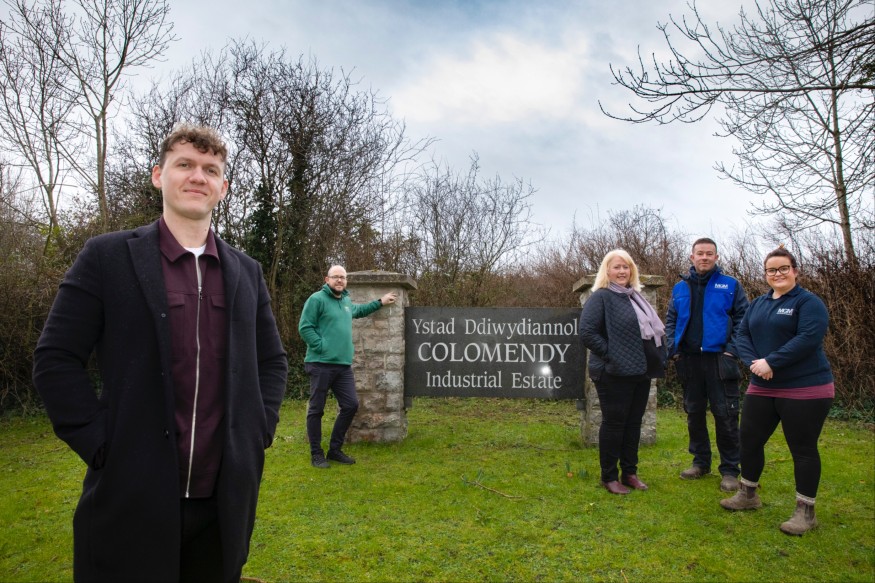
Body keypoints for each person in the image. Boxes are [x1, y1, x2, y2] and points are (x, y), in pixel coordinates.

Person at [32, 124, 288, 582]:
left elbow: (272, 362)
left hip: (223, 504)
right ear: (158, 175)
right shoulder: (107, 257)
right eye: (184, 164)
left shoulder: (246, 272)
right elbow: (55, 357)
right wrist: (100, 443)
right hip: (130, 497)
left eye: (211, 169)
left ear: (223, 187)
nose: (198, 176)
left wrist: (257, 431)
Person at [720, 247, 834, 536]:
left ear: (795, 271)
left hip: (806, 387)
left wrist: (772, 362)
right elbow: (742, 335)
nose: (778, 274)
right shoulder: (758, 304)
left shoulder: (808, 303)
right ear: (766, 274)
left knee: (803, 449)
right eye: (772, 270)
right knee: (749, 440)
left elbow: (808, 338)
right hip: (763, 386)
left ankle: (805, 512)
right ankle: (748, 494)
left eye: (783, 268)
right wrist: (755, 365)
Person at [579, 249, 666, 495]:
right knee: (614, 423)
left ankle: (629, 473)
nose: (621, 271)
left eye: (626, 267)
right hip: (613, 372)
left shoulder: (636, 298)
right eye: (616, 267)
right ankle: (609, 477)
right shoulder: (601, 297)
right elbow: (587, 333)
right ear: (607, 271)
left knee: (633, 423)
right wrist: (612, 354)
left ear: (632, 271)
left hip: (641, 370)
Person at [665, 237, 748, 492]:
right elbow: (671, 320)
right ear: (692, 257)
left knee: (726, 415)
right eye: (699, 253)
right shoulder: (680, 288)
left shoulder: (730, 285)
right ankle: (700, 462)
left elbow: (743, 320)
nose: (704, 257)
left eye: (709, 253)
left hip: (720, 360)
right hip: (689, 360)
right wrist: (674, 350)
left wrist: (732, 352)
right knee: (694, 413)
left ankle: (730, 470)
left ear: (716, 257)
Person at [299, 265, 397, 468]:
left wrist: (380, 302)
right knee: (316, 409)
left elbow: (358, 311)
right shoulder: (316, 299)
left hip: (342, 366)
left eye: (342, 277)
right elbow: (305, 327)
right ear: (327, 279)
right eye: (335, 277)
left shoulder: (345, 301)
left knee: (351, 405)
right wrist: (322, 346)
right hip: (320, 364)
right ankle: (316, 454)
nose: (339, 280)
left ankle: (334, 450)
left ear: (346, 281)